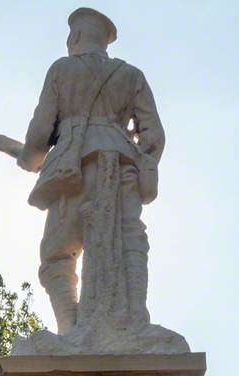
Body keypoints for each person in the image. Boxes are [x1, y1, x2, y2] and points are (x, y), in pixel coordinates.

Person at [16, 7, 166, 338]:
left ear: (76, 36)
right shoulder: (131, 75)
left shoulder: (61, 69)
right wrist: (140, 157)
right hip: (123, 163)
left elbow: (40, 131)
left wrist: (29, 157)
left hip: (74, 167)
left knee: (57, 254)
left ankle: (70, 328)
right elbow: (154, 136)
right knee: (131, 239)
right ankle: (134, 319)